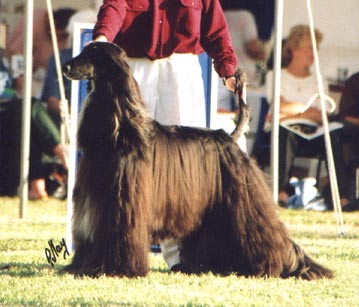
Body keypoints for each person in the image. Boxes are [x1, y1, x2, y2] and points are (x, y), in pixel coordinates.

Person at [92, 0, 240, 271]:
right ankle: (124, 249)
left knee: (184, 171)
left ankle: (183, 257)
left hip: (181, 71)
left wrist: (227, 67)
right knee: (128, 167)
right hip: (135, 70)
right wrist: (102, 39)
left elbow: (214, 25)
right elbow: (114, 7)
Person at [265, 25, 347, 208]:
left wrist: (292, 110)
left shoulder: (319, 80)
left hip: (312, 132)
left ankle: (340, 197)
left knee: (333, 137)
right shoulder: (275, 76)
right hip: (286, 131)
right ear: (294, 49)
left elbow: (323, 113)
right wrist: (307, 110)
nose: (314, 53)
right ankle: (281, 193)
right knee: (284, 133)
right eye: (309, 47)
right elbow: (278, 105)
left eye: (315, 49)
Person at [0, 58, 67, 200]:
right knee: (30, 107)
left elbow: (21, 87)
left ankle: (38, 187)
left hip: (9, 113)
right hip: (5, 113)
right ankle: (67, 160)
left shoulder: (3, 61)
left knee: (29, 116)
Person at [6, 8, 76, 98]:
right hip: (18, 70)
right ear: (53, 21)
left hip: (41, 77)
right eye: (57, 32)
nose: (58, 36)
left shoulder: (66, 36)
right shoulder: (34, 24)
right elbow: (16, 55)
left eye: (62, 35)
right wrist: (21, 82)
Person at [217, 1, 265, 112]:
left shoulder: (219, 16)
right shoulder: (245, 16)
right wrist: (263, 53)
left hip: (222, 73)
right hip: (243, 74)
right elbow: (252, 48)